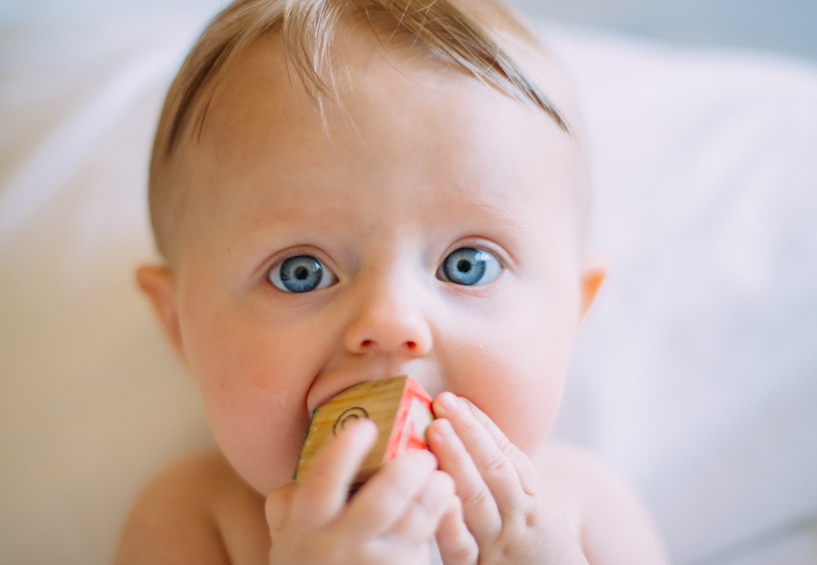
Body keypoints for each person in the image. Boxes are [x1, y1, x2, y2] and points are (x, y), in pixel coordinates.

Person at [116, 0, 669, 562]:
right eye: (300, 273)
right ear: (180, 324)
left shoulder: (586, 513)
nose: (390, 321)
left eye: (467, 264)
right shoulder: (193, 516)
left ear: (572, 312)